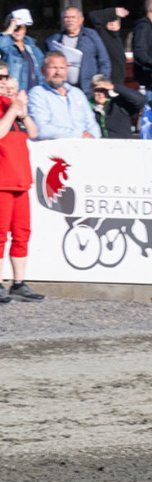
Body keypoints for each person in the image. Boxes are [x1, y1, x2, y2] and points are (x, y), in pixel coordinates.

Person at [0, 63, 36, 304]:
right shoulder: (7, 109)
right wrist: (13, 110)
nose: (3, 81)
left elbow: (33, 132)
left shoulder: (11, 106)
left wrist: (22, 111)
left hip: (20, 181)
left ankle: (19, 282)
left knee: (22, 233)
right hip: (2, 181)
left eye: (6, 76)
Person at [28, 52, 100, 139]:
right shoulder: (37, 93)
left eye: (62, 68)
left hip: (86, 146)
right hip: (55, 148)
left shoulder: (77, 93)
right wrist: (78, 135)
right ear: (43, 70)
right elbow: (41, 129)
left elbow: (92, 124)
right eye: (53, 67)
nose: (58, 72)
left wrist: (94, 137)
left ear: (67, 70)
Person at [47, 7, 112, 96]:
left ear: (81, 20)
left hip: (88, 90)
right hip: (63, 91)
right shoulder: (55, 39)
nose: (70, 20)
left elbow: (104, 61)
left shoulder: (91, 36)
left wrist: (101, 83)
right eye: (67, 17)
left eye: (73, 17)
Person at [90, 74, 146, 138]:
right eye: (97, 90)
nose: (100, 94)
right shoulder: (89, 108)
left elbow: (141, 101)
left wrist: (115, 87)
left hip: (122, 145)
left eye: (104, 90)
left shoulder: (119, 103)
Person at [0, 11, 43, 94]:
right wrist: (10, 29)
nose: (17, 31)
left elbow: (42, 70)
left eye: (21, 28)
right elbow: (1, 44)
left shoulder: (32, 48)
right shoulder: (7, 48)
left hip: (34, 93)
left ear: (25, 29)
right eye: (15, 28)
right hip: (15, 94)